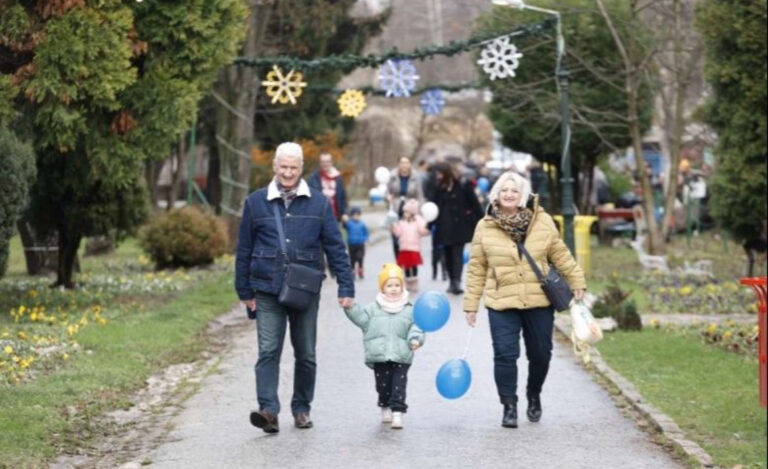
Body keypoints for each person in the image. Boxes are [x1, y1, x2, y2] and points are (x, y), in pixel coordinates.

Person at [235, 142, 355, 434]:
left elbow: (335, 246)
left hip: (304, 290)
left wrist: (345, 285)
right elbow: (244, 250)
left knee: (306, 353)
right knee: (268, 351)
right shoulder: (255, 202)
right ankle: (268, 411)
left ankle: (301, 408)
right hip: (266, 288)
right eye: (283, 167)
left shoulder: (317, 203)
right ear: (275, 167)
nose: (288, 173)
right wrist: (244, 292)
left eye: (293, 167)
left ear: (301, 168)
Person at [462, 171, 586, 429]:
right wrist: (471, 304)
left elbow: (560, 253)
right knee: (505, 355)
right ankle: (509, 405)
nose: (509, 194)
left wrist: (577, 280)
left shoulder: (542, 221)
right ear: (497, 194)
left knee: (541, 354)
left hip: (538, 300)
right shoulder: (485, 226)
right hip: (501, 302)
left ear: (523, 195)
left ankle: (534, 393)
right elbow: (477, 267)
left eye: (514, 190)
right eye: (504, 190)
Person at [343, 263, 425, 429]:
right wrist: (350, 307)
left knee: (399, 384)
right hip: (379, 354)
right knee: (383, 385)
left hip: (402, 354)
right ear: (382, 288)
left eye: (397, 285)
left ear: (402, 287)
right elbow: (361, 318)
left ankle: (397, 412)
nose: (393, 289)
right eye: (389, 285)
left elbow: (417, 326)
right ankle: (385, 405)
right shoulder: (373, 309)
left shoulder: (409, 309)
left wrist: (415, 339)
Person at [428, 162, 483, 295]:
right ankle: (451, 281)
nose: (438, 176)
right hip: (443, 227)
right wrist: (428, 225)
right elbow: (432, 208)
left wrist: (483, 221)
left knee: (457, 255)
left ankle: (457, 282)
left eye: (440, 173)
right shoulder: (438, 188)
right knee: (447, 255)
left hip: (459, 227)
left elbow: (475, 204)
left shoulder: (463, 185)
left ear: (446, 173)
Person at [386, 156, 424, 257]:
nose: (404, 165)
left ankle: (409, 265)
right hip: (395, 209)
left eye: (407, 162)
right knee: (395, 237)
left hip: (410, 210)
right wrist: (387, 197)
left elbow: (420, 196)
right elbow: (387, 192)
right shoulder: (392, 176)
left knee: (409, 237)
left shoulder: (416, 177)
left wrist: (419, 212)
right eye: (402, 162)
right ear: (398, 164)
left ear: (410, 164)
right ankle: (398, 261)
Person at [390, 199, 430, 293]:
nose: (405, 214)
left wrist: (427, 228)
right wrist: (393, 227)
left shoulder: (418, 221)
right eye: (404, 212)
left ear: (412, 213)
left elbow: (422, 231)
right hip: (404, 247)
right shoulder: (401, 222)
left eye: (407, 212)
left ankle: (414, 281)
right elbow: (398, 233)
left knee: (414, 265)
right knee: (406, 266)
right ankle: (408, 282)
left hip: (414, 248)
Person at [308, 152, 348, 221]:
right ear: (320, 163)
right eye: (323, 162)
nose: (325, 164)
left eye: (327, 161)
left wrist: (344, 213)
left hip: (335, 216)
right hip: (319, 216)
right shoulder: (313, 178)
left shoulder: (337, 178)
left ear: (331, 162)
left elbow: (342, 197)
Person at [342, 206, 369, 279]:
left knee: (360, 258)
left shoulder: (362, 224)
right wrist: (344, 220)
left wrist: (365, 239)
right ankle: (352, 271)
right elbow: (344, 226)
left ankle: (360, 270)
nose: (356, 217)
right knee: (352, 259)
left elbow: (366, 233)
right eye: (354, 215)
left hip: (360, 244)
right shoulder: (349, 223)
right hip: (352, 244)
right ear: (352, 216)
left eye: (358, 215)